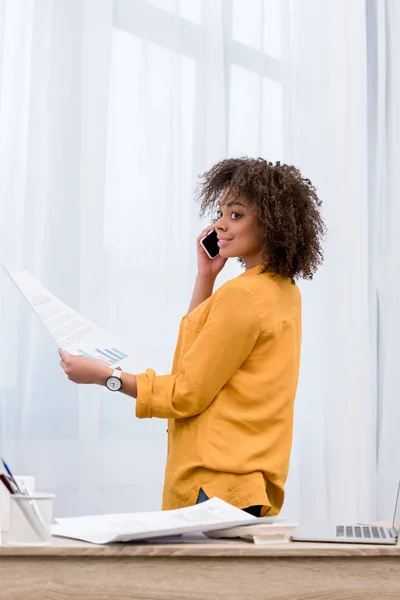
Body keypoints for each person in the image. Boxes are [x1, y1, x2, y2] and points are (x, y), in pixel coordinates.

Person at [59, 157, 325, 517]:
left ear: (272, 224)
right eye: (220, 212)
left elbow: (186, 393)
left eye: (236, 215)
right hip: (247, 487)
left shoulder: (242, 296)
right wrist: (206, 278)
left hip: (214, 487)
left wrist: (106, 377)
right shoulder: (282, 291)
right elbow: (198, 355)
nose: (220, 224)